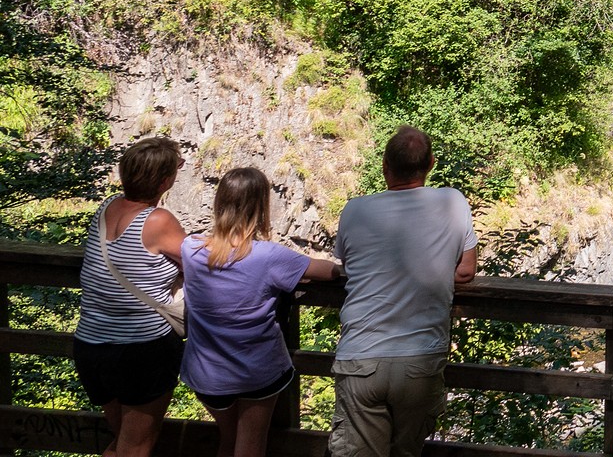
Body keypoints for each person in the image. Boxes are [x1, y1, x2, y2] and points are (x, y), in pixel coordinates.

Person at [328, 126, 478, 457]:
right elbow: (466, 270)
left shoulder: (355, 210)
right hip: (421, 359)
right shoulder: (453, 201)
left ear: (385, 166)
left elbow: (347, 263)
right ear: (431, 164)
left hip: (362, 356)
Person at [181, 167, 340, 457]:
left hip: (207, 374)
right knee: (250, 447)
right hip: (257, 372)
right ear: (261, 207)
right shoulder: (269, 256)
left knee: (227, 442)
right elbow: (328, 271)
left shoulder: (190, 248)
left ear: (219, 203)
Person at [75, 136, 187, 457]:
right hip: (140, 352)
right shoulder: (158, 221)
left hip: (91, 347)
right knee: (136, 447)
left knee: (123, 440)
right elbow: (200, 261)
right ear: (166, 181)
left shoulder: (106, 208)